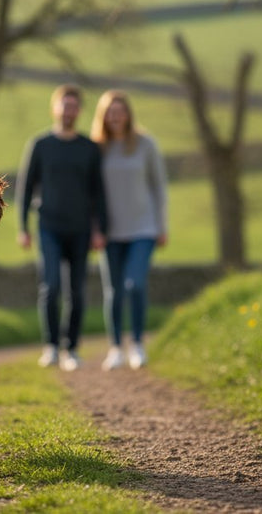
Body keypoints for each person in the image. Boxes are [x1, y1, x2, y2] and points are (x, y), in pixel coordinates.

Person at [16, 84, 108, 372]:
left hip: (81, 228)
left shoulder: (89, 148)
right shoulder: (41, 145)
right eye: (64, 105)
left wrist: (98, 229)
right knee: (51, 286)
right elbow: (26, 188)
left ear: (79, 111)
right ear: (55, 109)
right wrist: (23, 227)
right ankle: (52, 347)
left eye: (73, 106)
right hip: (49, 226)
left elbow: (98, 192)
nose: (68, 111)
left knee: (77, 291)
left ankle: (72, 348)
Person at [90, 90, 168, 370]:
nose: (116, 116)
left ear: (128, 114)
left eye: (120, 111)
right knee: (113, 292)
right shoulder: (96, 148)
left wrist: (162, 225)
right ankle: (115, 348)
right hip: (109, 232)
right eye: (111, 112)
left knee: (134, 284)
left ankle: (137, 344)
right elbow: (91, 194)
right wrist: (94, 229)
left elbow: (159, 187)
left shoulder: (146, 145)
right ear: (103, 115)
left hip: (143, 229)